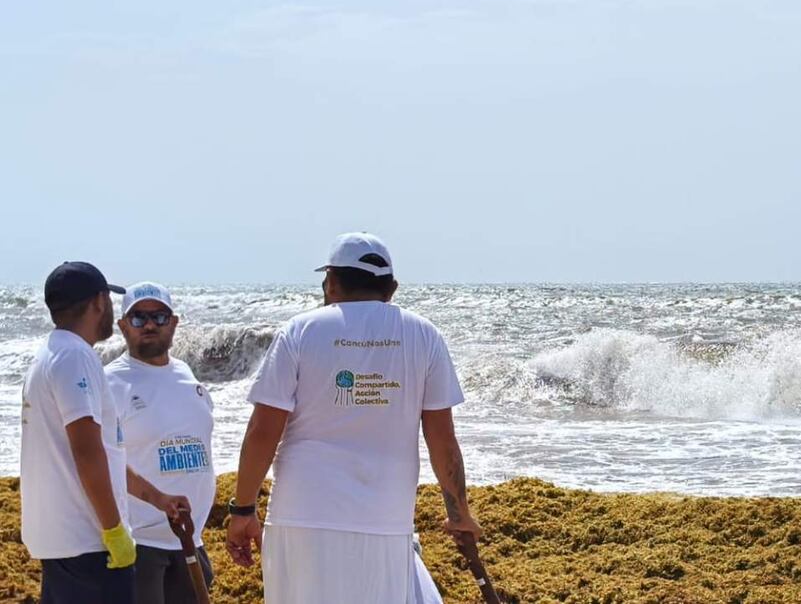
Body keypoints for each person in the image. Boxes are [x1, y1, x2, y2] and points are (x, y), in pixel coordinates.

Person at [226, 232, 482, 603]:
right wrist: (458, 512)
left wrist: (243, 509)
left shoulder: (300, 330)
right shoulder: (424, 335)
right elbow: (442, 439)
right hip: (385, 518)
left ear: (330, 281)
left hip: (302, 514)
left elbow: (263, 430)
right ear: (391, 288)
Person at [20, 262, 188, 604]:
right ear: (99, 301)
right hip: (89, 543)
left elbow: (100, 451)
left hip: (61, 541)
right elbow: (86, 451)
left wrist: (157, 498)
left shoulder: (48, 355)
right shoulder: (75, 357)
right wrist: (114, 531)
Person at [105, 282, 215, 604]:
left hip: (190, 540)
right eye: (138, 317)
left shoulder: (185, 373)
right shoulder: (112, 382)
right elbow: (101, 459)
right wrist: (155, 498)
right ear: (123, 325)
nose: (149, 324)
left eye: (159, 316)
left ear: (174, 322)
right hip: (141, 544)